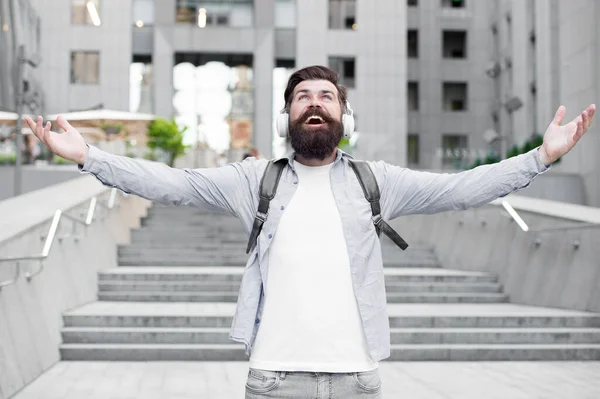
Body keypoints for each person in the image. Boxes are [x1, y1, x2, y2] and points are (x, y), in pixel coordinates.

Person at [25, 65, 594, 399]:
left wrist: (539, 158)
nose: (314, 104)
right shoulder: (255, 181)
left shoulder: (378, 182)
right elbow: (170, 182)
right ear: (288, 118)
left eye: (326, 97)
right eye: (302, 97)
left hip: (358, 380)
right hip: (274, 380)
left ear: (345, 117)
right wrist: (88, 157)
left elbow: (460, 189)